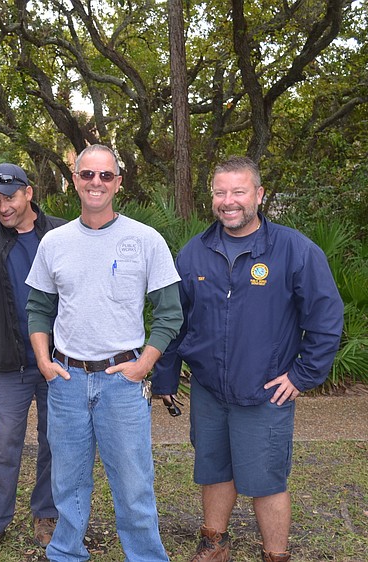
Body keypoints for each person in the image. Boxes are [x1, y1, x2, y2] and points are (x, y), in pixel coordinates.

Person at [152, 156, 344, 562]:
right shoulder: (194, 253)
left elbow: (326, 318)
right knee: (214, 469)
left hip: (265, 392)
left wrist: (302, 375)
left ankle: (275, 554)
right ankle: (214, 544)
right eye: (220, 192)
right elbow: (174, 320)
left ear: (258, 194)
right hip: (209, 390)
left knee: (266, 480)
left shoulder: (294, 250)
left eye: (238, 191)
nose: (229, 201)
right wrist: (166, 380)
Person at [25, 144, 183, 562]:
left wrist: (145, 364)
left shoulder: (146, 239)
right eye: (88, 175)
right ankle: (66, 554)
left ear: (119, 182)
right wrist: (44, 362)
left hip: (121, 382)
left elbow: (169, 313)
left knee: (133, 484)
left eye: (105, 176)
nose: (96, 183)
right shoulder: (54, 242)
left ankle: (147, 557)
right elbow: (39, 308)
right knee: (68, 483)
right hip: (67, 380)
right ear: (74, 180)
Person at [0, 163, 65, 557]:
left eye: (10, 197)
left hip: (58, 362)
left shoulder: (62, 234)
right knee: (4, 443)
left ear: (29, 193)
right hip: (10, 366)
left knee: (55, 440)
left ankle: (47, 513)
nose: (3, 207)